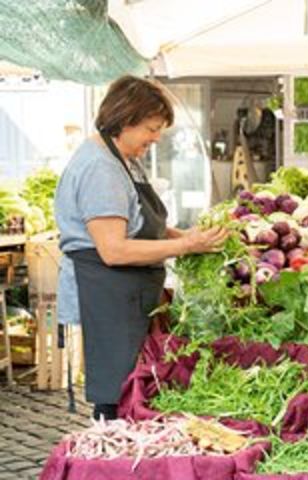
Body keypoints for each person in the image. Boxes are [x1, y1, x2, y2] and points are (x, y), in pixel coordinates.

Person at [54, 75, 228, 420]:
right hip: (108, 293)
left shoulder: (122, 157)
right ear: (125, 119)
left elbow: (141, 220)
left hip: (127, 294)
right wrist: (186, 247)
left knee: (134, 383)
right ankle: (110, 453)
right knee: (116, 391)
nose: (156, 137)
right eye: (151, 128)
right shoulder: (100, 168)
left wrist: (185, 236)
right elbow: (113, 250)